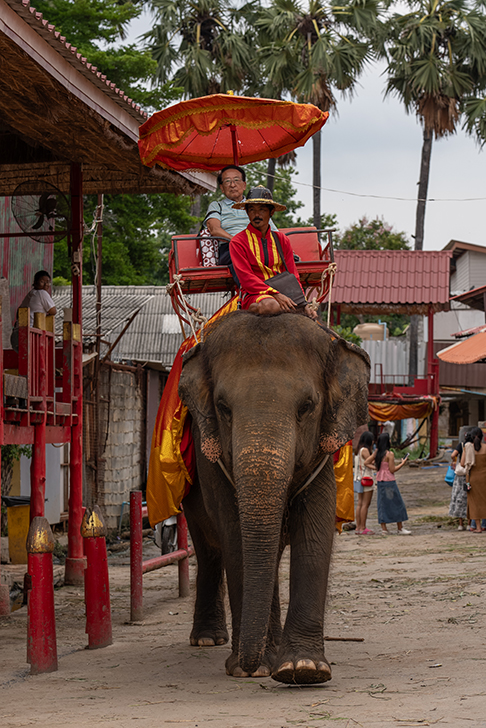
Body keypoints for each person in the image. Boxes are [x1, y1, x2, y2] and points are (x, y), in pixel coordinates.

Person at [230, 186, 317, 319]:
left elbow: (292, 273)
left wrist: (303, 303)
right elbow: (246, 279)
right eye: (252, 210)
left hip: (284, 293)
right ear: (247, 212)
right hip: (254, 294)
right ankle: (253, 309)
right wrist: (275, 294)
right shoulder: (238, 242)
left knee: (310, 315)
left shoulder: (282, 240)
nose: (256, 215)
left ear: (271, 213)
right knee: (271, 306)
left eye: (262, 210)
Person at [204, 165, 277, 268]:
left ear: (244, 185)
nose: (232, 185)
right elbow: (214, 229)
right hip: (230, 247)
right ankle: (251, 282)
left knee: (271, 254)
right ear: (222, 188)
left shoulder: (256, 206)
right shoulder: (217, 206)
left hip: (258, 245)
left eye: (236, 180)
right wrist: (238, 241)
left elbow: (274, 232)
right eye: (227, 181)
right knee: (242, 255)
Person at [365, 432, 411, 535]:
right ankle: (400, 528)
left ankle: (384, 529)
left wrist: (377, 468)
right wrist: (402, 463)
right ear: (387, 441)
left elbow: (366, 463)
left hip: (380, 481)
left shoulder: (377, 452)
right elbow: (392, 469)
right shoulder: (389, 454)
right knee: (397, 503)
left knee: (382, 505)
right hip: (389, 482)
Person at [10, 270, 56, 351]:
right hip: (30, 333)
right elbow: (53, 311)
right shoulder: (42, 293)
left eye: (48, 282)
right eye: (42, 281)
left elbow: (18, 313)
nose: (46, 285)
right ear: (35, 283)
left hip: (16, 334)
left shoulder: (30, 294)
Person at [460, 426, 486, 533]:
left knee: (475, 503)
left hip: (473, 479)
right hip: (484, 477)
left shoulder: (468, 448)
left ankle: (478, 527)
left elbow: (462, 463)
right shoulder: (485, 447)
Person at [353, 431, 375, 535]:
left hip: (357, 478)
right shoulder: (365, 450)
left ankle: (358, 527)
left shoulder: (358, 450)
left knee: (360, 503)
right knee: (365, 504)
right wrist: (375, 454)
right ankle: (363, 527)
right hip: (366, 479)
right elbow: (371, 462)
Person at [448, 441, 468, 530]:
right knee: (469, 498)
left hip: (460, 475)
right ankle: (470, 523)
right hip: (469, 474)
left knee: (459, 498)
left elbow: (453, 455)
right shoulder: (474, 445)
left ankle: (460, 524)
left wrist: (455, 461)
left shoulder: (462, 445)